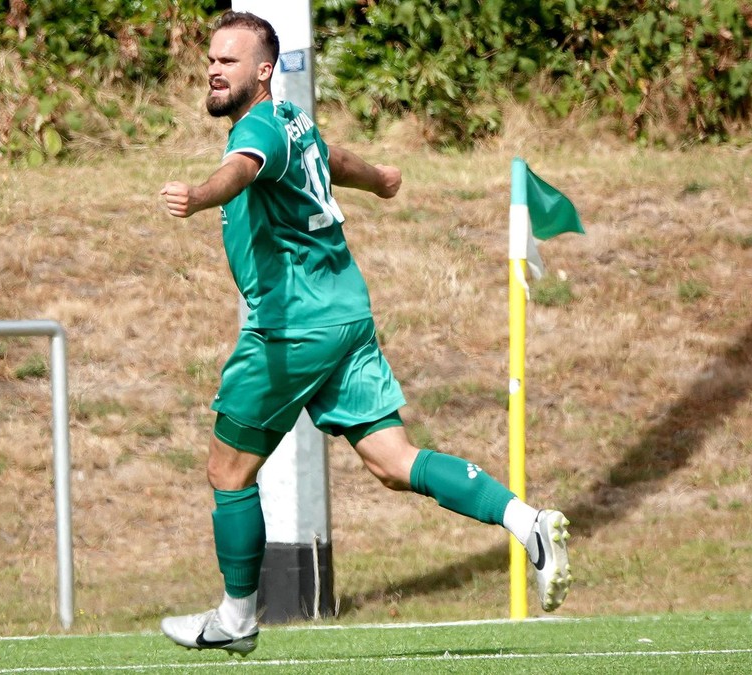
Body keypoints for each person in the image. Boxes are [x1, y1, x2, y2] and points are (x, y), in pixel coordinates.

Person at [158, 11, 572, 656]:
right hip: (347, 317)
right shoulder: (293, 120)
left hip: (291, 330)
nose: (214, 69)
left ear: (263, 71)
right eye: (212, 58)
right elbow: (333, 156)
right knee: (393, 462)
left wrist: (199, 195)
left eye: (229, 60)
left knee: (228, 470)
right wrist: (379, 179)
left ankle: (237, 617)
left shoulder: (260, 130)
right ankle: (528, 522)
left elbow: (238, 171)